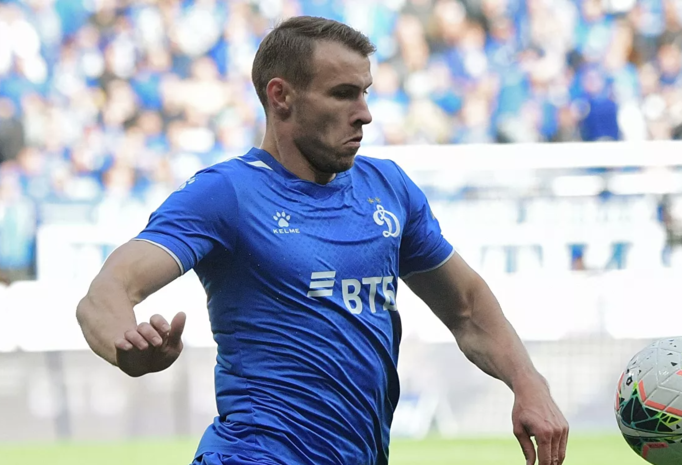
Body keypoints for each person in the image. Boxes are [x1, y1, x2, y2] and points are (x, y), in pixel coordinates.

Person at [75, 16, 568, 465]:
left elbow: (466, 305)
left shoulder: (389, 189)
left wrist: (529, 383)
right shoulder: (227, 193)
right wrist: (124, 346)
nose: (365, 114)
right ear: (281, 96)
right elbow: (108, 290)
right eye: (343, 94)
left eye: (365, 93)